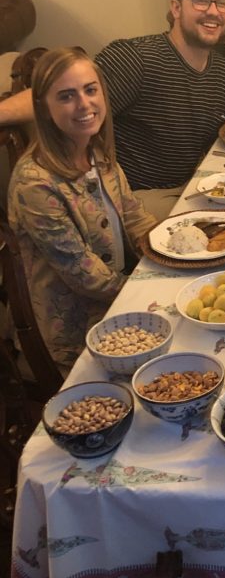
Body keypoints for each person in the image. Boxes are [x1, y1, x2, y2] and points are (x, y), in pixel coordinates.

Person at [0, 0, 225, 218]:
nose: (213, 11)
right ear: (176, 8)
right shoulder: (137, 59)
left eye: (221, 3)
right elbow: (57, 92)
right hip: (131, 196)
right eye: (201, 1)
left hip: (190, 184)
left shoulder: (220, 70)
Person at [8, 47, 156, 373]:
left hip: (116, 300)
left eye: (90, 90)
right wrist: (149, 291)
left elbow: (134, 215)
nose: (84, 104)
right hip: (75, 335)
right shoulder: (35, 183)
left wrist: (172, 254)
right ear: (43, 108)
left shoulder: (95, 151)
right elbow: (84, 274)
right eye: (66, 96)